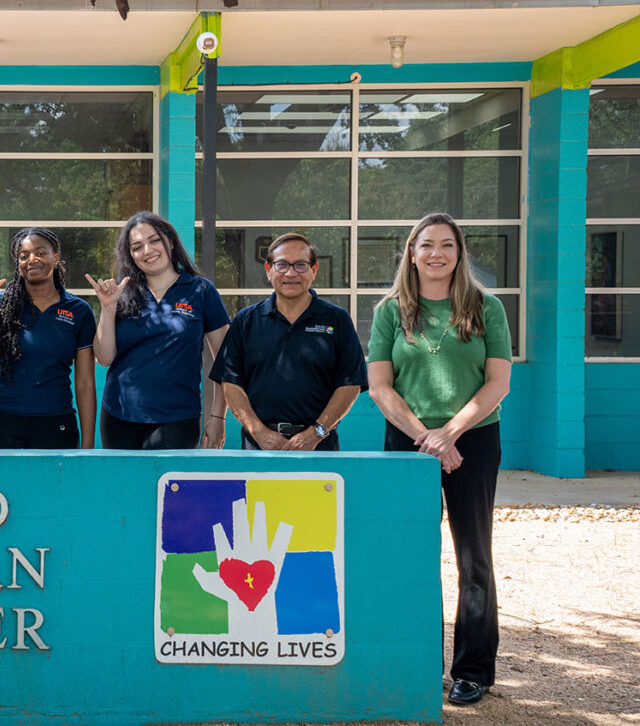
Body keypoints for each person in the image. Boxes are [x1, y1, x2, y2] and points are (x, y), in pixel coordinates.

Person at [367, 213, 511, 706]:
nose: (436, 254)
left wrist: (449, 434)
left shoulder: (486, 308)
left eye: (446, 245)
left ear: (459, 252)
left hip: (472, 441)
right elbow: (379, 387)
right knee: (409, 555)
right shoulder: (391, 311)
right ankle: (415, 663)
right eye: (426, 245)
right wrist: (426, 436)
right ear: (411, 252)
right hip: (407, 440)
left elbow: (498, 384)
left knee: (474, 558)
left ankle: (472, 670)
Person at [209, 233, 367, 451]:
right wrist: (259, 432)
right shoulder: (246, 321)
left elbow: (350, 384)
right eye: (281, 265)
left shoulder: (336, 320)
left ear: (314, 270)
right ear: (268, 270)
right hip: (259, 446)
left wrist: (315, 434)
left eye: (300, 265)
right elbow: (230, 382)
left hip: (320, 447)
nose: (291, 273)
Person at [86, 211, 229, 450]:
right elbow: (104, 357)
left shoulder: (200, 291)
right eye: (137, 247)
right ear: (130, 255)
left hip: (178, 417)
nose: (148, 251)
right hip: (119, 415)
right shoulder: (123, 293)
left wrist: (218, 417)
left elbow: (224, 360)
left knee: (165, 486)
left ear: (170, 242)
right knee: (124, 487)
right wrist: (108, 308)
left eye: (154, 240)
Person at [0, 227, 97, 449]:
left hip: (56, 423)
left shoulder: (79, 310)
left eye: (40, 253)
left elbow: (85, 383)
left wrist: (88, 444)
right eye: (23, 256)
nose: (31, 260)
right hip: (0, 420)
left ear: (55, 257)